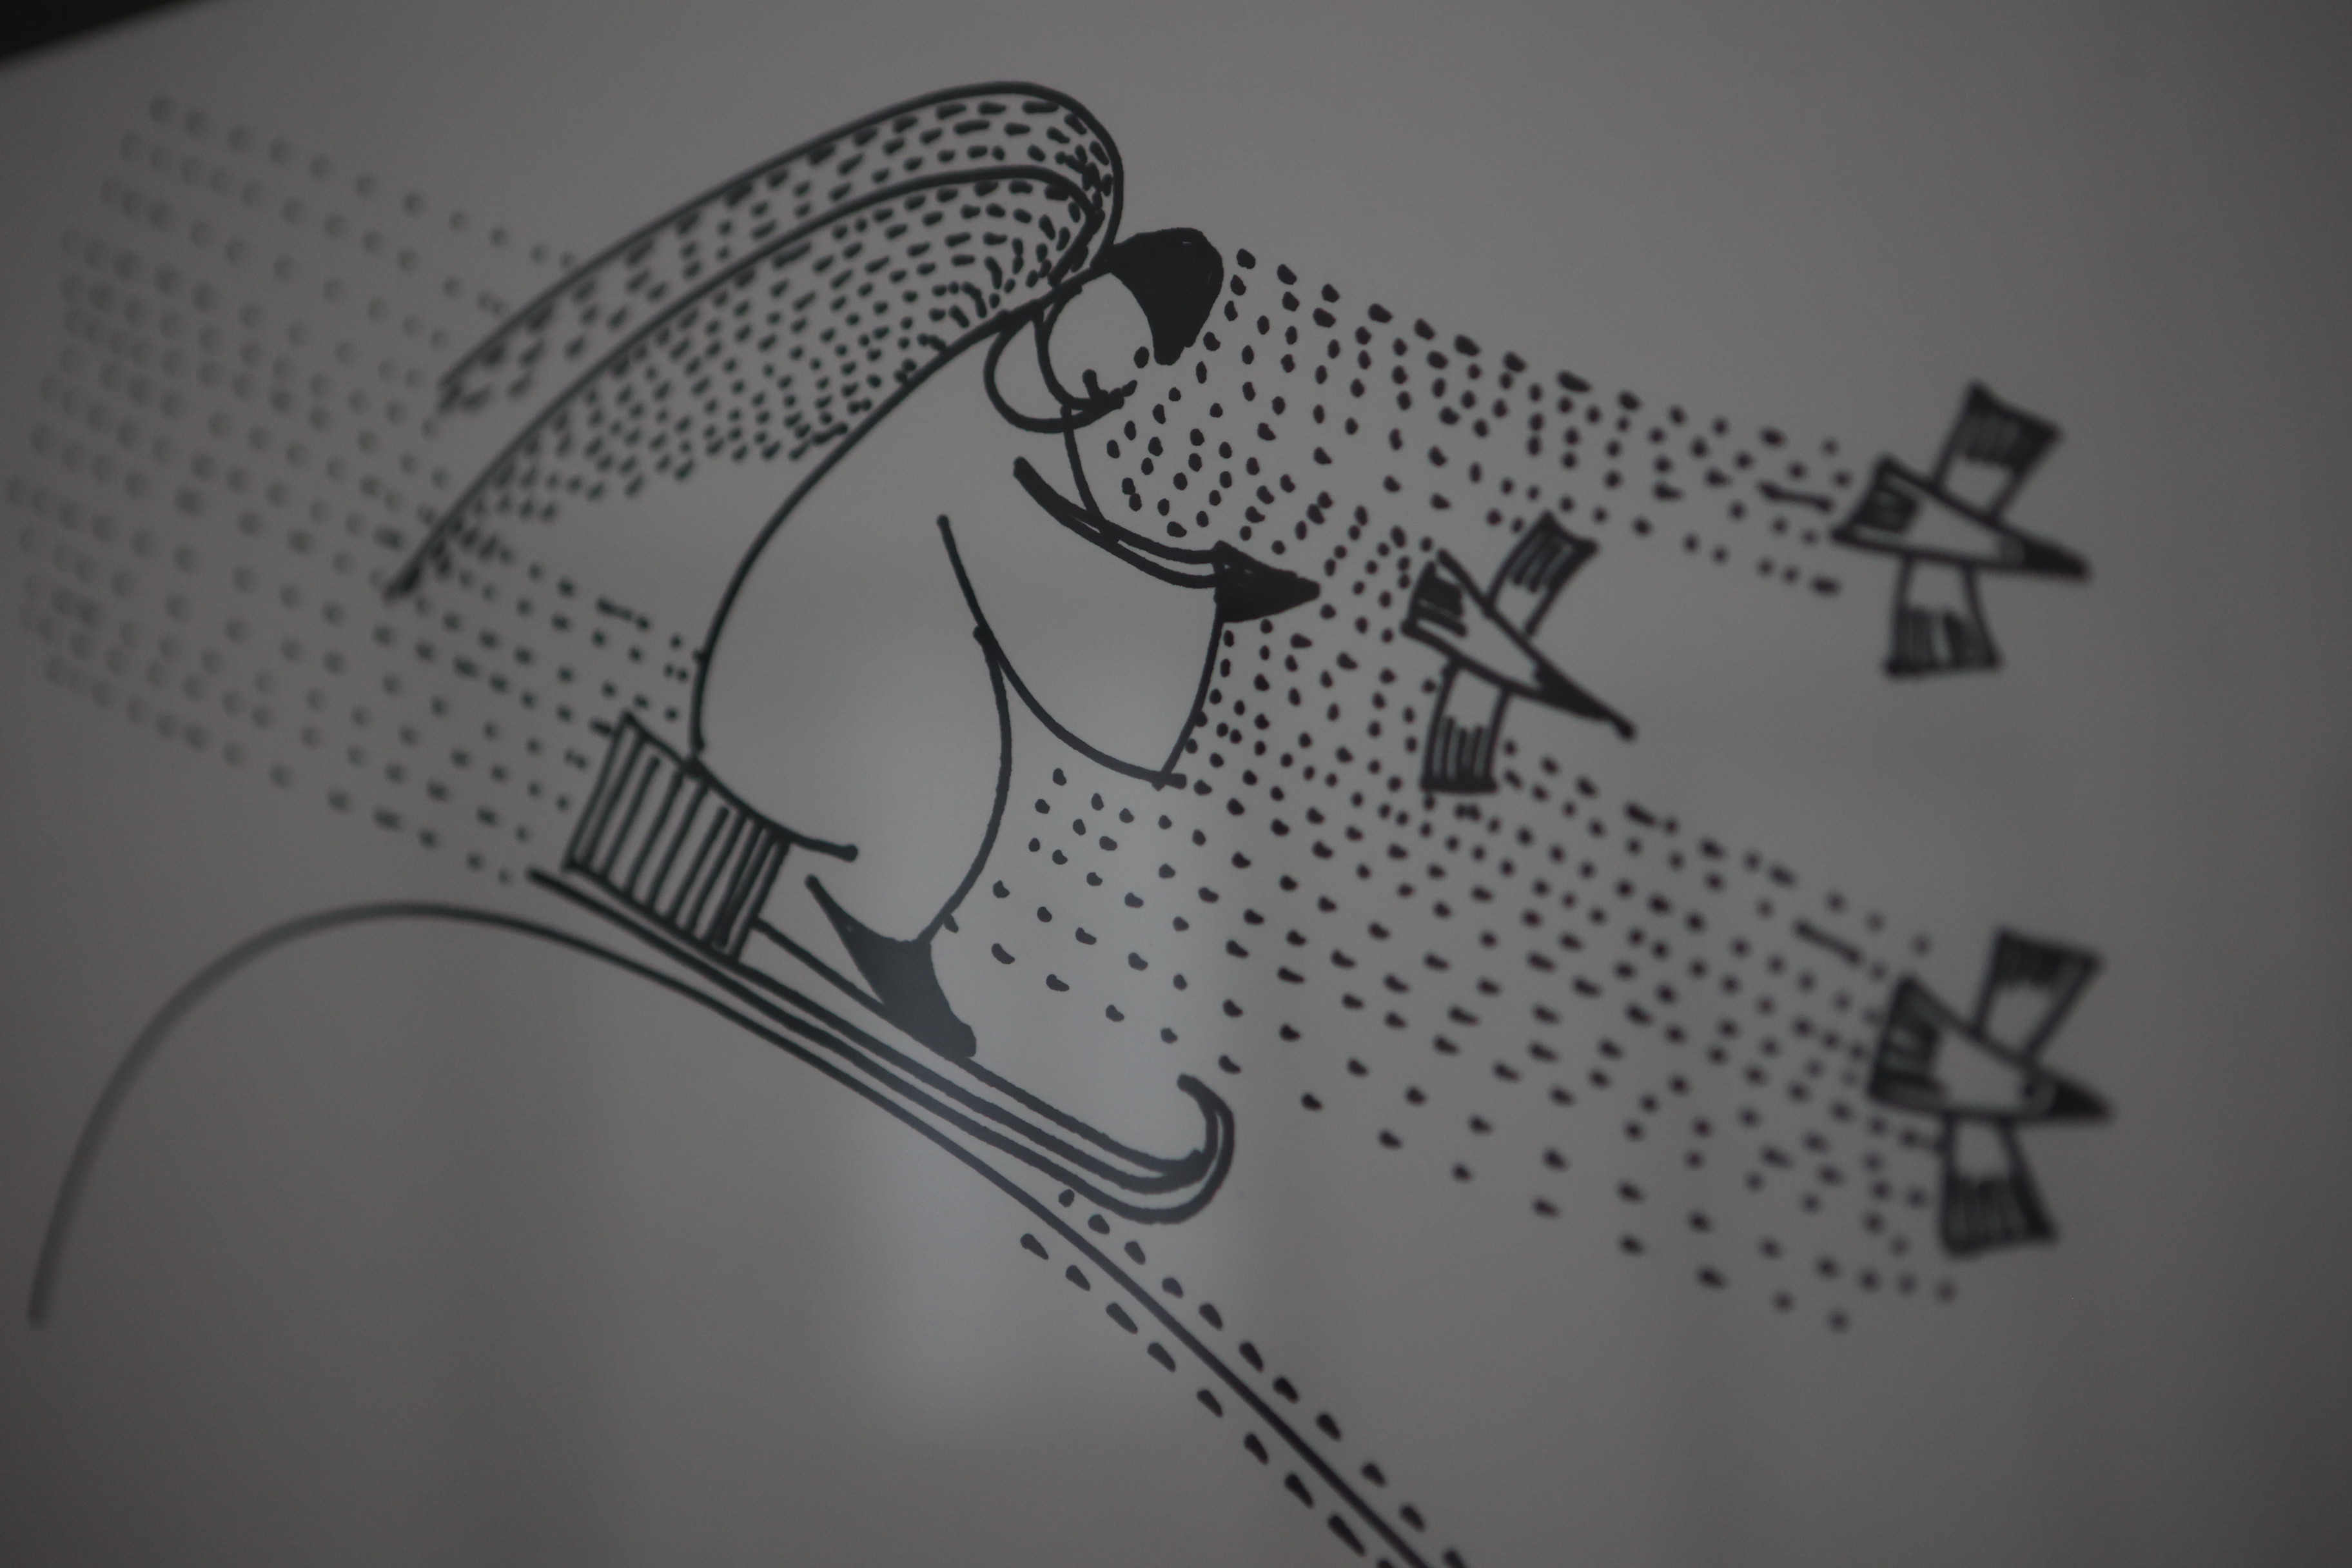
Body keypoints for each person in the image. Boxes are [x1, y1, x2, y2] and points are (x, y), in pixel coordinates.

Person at [630, 229, 1316, 1057]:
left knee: (951, 759)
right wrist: (1205, 592)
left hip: (850, 660)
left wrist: (1196, 578)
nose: (1123, 379)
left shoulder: (1029, 396)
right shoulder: (985, 407)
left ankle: (877, 925)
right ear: (1079, 295)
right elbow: (1047, 557)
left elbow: (1084, 538)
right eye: (1125, 344)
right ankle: (879, 930)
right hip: (800, 670)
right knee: (950, 774)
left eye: (1142, 365)